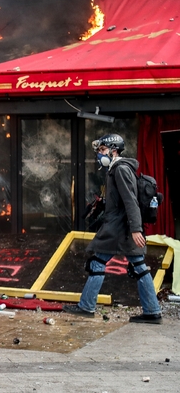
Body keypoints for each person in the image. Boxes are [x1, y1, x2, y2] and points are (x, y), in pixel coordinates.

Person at [63, 134, 162, 324]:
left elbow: (130, 201)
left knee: (98, 262)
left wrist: (136, 228)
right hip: (121, 226)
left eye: (102, 150)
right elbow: (121, 200)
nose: (99, 155)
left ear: (113, 150)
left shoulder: (120, 169)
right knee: (139, 267)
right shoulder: (118, 170)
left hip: (120, 228)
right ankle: (152, 311)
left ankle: (86, 306)